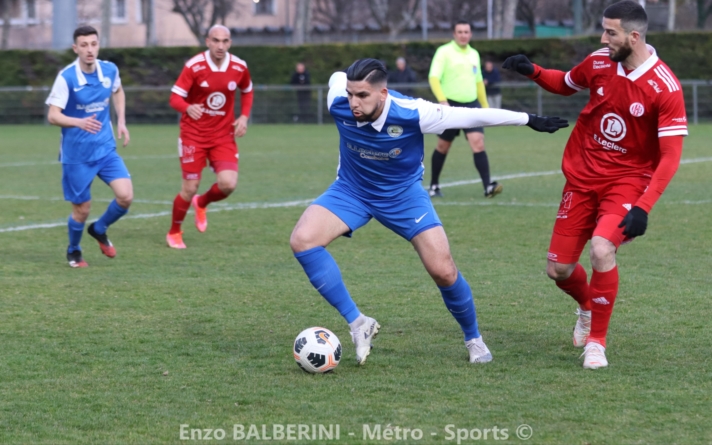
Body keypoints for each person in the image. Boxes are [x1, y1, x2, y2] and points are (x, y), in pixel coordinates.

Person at [289, 58, 567, 366]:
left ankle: (473, 338)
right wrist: (344, 82)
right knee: (303, 240)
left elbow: (471, 115)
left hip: (403, 197)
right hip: (351, 191)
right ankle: (358, 323)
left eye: (363, 96)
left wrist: (528, 119)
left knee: (443, 271)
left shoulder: (413, 113)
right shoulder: (338, 101)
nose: (353, 102)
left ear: (383, 93)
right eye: (351, 94)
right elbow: (337, 78)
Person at [503, 0, 687, 369]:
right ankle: (587, 307)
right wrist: (533, 71)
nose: (603, 38)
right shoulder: (601, 61)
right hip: (581, 179)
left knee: (602, 250)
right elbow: (567, 84)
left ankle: (597, 344)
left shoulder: (664, 87)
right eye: (603, 30)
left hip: (628, 183)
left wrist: (643, 207)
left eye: (610, 32)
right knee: (559, 270)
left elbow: (669, 157)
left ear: (633, 37)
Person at [45, 26, 132, 268]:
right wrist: (78, 122)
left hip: (105, 148)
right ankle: (74, 250)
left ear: (98, 45)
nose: (89, 49)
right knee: (82, 210)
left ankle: (100, 228)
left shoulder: (109, 69)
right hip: (77, 155)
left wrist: (122, 121)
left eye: (93, 44)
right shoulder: (67, 77)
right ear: (76, 48)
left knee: (125, 197)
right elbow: (53, 115)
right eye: (84, 45)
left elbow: (118, 90)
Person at [166, 25, 254, 249]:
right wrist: (187, 107)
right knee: (190, 187)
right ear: (207, 41)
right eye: (216, 40)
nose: (220, 46)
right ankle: (175, 232)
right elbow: (175, 98)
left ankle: (202, 203)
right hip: (193, 135)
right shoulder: (194, 66)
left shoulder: (239, 66)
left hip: (223, 135)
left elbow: (247, 90)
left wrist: (243, 116)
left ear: (230, 43)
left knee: (228, 184)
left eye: (225, 41)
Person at [428, 20, 500, 199]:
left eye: (466, 32)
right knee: (443, 146)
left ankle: (487, 187)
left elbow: (479, 83)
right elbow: (433, 77)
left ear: (471, 34)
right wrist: (442, 100)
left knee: (478, 143)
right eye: (459, 32)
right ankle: (434, 186)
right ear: (454, 34)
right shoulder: (443, 52)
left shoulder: (474, 54)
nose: (463, 35)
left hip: (471, 105)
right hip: (450, 106)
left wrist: (485, 108)